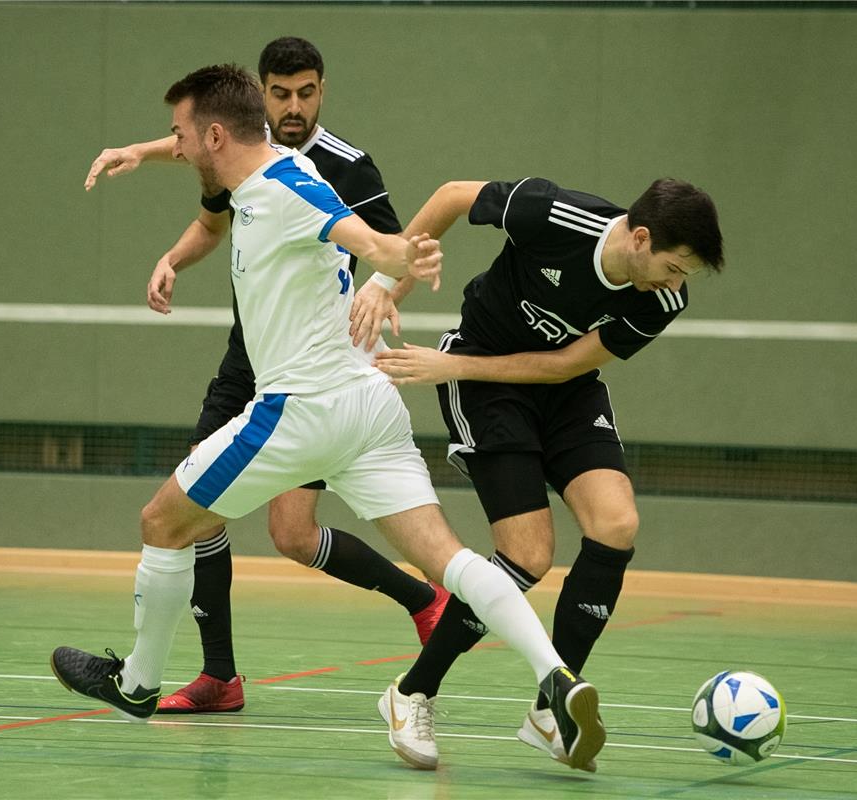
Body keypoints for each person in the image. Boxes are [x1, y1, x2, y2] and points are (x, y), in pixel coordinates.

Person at [51, 64, 605, 774]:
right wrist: (145, 151)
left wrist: (397, 254)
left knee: (163, 523)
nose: (177, 146)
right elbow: (239, 164)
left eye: (181, 136)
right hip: (370, 405)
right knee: (452, 560)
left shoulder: (284, 191)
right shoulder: (273, 162)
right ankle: (555, 675)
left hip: (299, 409)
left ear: (216, 136)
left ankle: (136, 683)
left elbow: (358, 235)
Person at [83, 37, 447, 714]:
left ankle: (424, 598)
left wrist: (379, 294)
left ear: (322, 90)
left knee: (292, 534)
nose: (293, 106)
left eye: (306, 92)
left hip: (315, 371)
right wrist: (169, 246)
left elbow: (391, 248)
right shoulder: (239, 154)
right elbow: (203, 189)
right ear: (260, 95)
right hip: (246, 357)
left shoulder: (344, 168)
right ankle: (218, 673)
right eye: (280, 93)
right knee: (192, 501)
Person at [367, 177, 724, 771]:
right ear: (639, 238)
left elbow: (564, 367)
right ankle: (411, 692)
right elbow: (455, 195)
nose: (677, 283)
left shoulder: (660, 299)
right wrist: (388, 282)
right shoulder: (554, 215)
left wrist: (447, 362)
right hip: (482, 381)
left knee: (616, 523)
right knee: (527, 555)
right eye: (674, 266)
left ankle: (549, 709)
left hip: (564, 390)